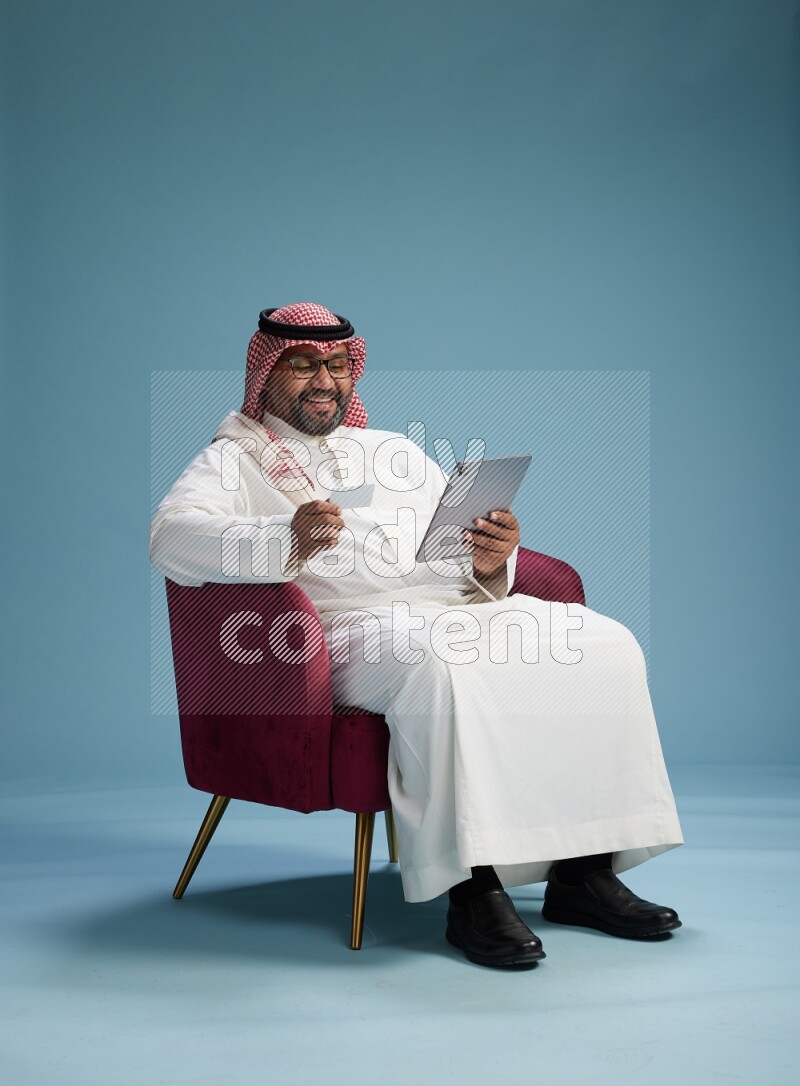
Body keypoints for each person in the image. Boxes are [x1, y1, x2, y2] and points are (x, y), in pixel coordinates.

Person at [150, 301, 684, 968]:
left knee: (601, 645)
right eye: (303, 365)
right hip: (336, 633)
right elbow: (171, 540)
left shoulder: (394, 452)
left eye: (338, 365)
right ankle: (471, 889)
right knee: (442, 666)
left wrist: (494, 558)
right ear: (265, 373)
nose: (325, 380)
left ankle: (583, 874)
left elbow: (451, 545)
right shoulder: (231, 461)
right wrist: (282, 538)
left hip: (451, 605)